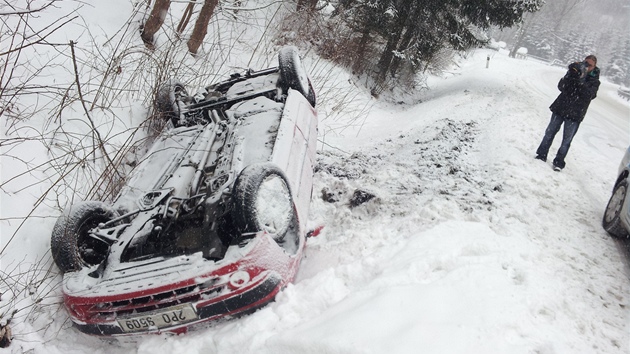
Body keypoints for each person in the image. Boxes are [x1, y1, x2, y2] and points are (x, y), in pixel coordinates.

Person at [535, 55, 600, 171]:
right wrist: (571, 75)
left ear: (594, 67)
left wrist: (581, 81)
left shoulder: (594, 81)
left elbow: (589, 96)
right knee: (549, 133)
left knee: (566, 140)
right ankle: (541, 154)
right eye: (585, 62)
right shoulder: (574, 72)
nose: (586, 66)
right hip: (561, 107)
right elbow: (561, 86)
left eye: (589, 65)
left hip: (575, 114)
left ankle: (559, 162)